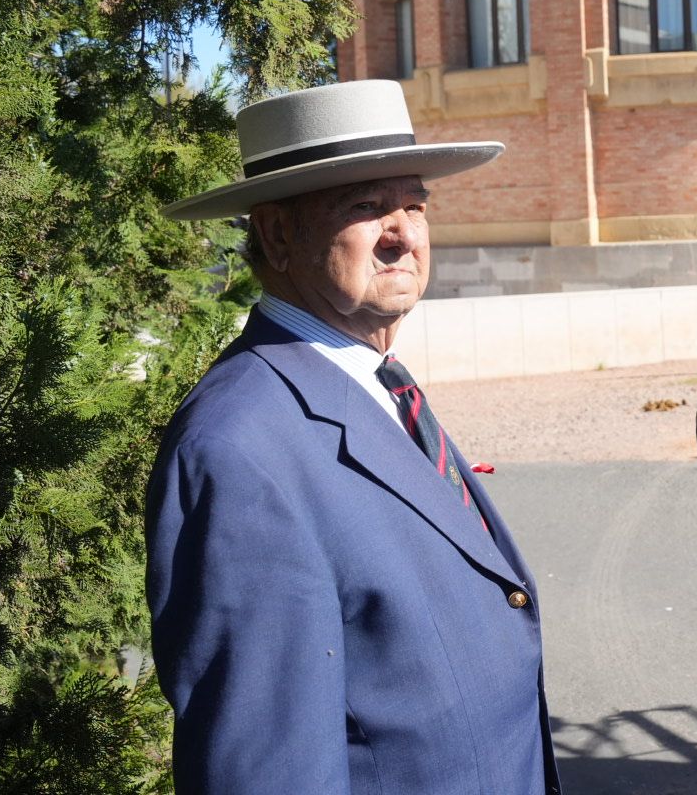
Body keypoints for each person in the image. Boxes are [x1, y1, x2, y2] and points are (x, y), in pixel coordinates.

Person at [146, 80, 559, 794]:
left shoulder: (379, 384)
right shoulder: (239, 448)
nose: (402, 232)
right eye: (366, 207)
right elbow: (268, 768)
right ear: (277, 234)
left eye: (415, 205)